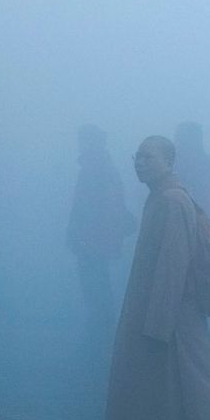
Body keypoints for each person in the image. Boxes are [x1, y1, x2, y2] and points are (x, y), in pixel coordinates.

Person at [104, 135, 210, 420]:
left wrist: (159, 320)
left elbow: (174, 262)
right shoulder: (164, 197)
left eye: (148, 157)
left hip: (169, 309)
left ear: (169, 161)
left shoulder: (171, 201)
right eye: (137, 156)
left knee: (172, 379)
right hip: (168, 307)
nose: (139, 163)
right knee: (176, 380)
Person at [66, 124, 135, 341]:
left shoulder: (96, 168)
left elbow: (92, 208)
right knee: (97, 282)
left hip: (92, 238)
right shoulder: (100, 165)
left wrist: (79, 234)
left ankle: (100, 332)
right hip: (94, 237)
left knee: (95, 284)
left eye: (84, 140)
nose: (81, 144)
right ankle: (101, 327)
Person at [173, 121, 210, 221]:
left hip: (193, 218)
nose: (176, 139)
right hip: (199, 217)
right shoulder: (203, 161)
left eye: (180, 135)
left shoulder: (198, 162)